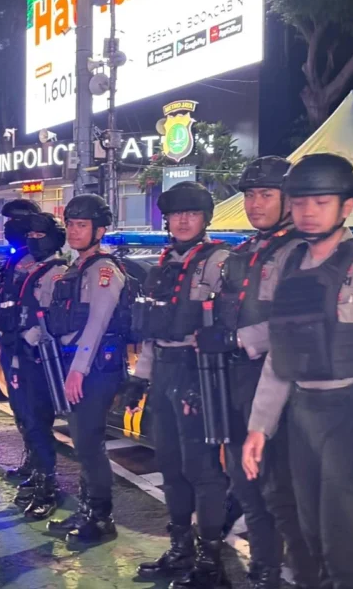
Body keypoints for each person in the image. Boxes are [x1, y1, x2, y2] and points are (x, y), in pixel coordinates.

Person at [242, 153, 353, 589]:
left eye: (321, 202)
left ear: (347, 206)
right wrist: (259, 427)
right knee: (309, 533)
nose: (308, 212)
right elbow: (282, 351)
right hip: (303, 413)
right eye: (299, 203)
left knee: (347, 541)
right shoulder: (290, 263)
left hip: (351, 414)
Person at [194, 157, 316, 589]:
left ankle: (281, 574)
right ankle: (264, 570)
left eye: (266, 194)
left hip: (281, 386)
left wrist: (236, 338)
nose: (254, 204)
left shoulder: (301, 252)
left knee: (279, 494)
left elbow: (295, 322)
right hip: (234, 380)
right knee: (247, 484)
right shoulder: (244, 251)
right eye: (249, 195)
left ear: (289, 199)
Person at [124, 182, 231, 588]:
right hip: (165, 373)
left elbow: (226, 330)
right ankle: (181, 549)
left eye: (192, 213)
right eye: (176, 214)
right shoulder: (163, 266)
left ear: (205, 219)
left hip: (200, 371)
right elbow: (155, 334)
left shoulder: (220, 262)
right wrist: (140, 379)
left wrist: (204, 383)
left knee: (202, 471)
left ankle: (210, 563)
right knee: (169, 466)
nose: (183, 220)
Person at [46, 194, 127, 545]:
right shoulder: (77, 267)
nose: (74, 231)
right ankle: (87, 510)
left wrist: (78, 369)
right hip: (79, 364)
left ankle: (101, 518)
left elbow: (97, 323)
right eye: (71, 225)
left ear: (100, 230)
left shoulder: (103, 270)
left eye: (82, 225)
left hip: (96, 368)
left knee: (90, 443)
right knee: (82, 441)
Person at [7, 212, 68, 519]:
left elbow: (53, 319)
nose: (33, 241)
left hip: (46, 358)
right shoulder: (31, 269)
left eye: (39, 236)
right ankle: (39, 477)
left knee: (40, 423)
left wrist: (30, 337)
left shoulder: (58, 273)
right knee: (30, 420)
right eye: (29, 236)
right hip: (27, 354)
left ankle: (48, 487)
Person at [0, 199, 42, 479]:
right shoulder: (12, 261)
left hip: (30, 347)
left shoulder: (37, 260)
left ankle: (41, 470)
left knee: (33, 409)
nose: (8, 227)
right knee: (20, 407)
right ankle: (32, 462)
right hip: (11, 341)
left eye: (14, 221)